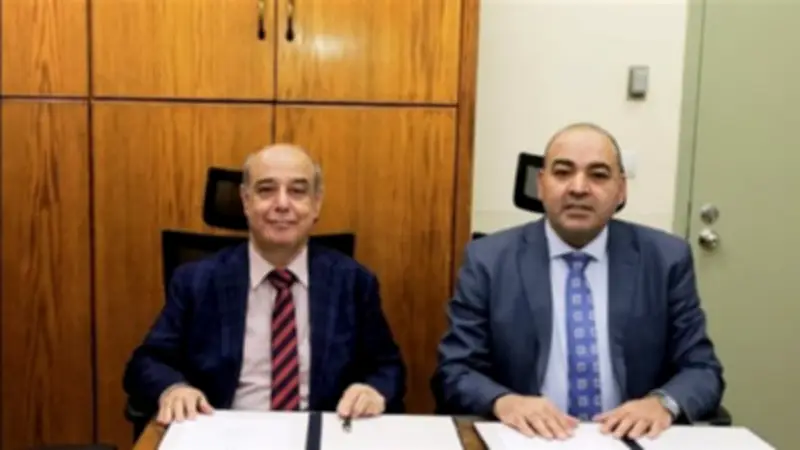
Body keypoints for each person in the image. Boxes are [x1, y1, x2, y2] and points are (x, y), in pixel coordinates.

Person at [431, 123, 724, 441]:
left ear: (621, 190)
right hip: (528, 439)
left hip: (629, 439)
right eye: (562, 173)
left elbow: (702, 370)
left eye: (598, 175)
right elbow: (456, 370)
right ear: (541, 184)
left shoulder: (666, 259)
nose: (579, 188)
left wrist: (662, 404)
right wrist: (505, 402)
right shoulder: (488, 259)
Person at [123, 143, 405, 425]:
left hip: (321, 432)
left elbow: (388, 367)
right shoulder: (196, 281)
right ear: (246, 201)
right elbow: (146, 362)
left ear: (316, 203)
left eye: (297, 191)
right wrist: (174, 389)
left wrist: (373, 390)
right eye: (266, 190)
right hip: (222, 431)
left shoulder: (354, 282)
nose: (282, 204)